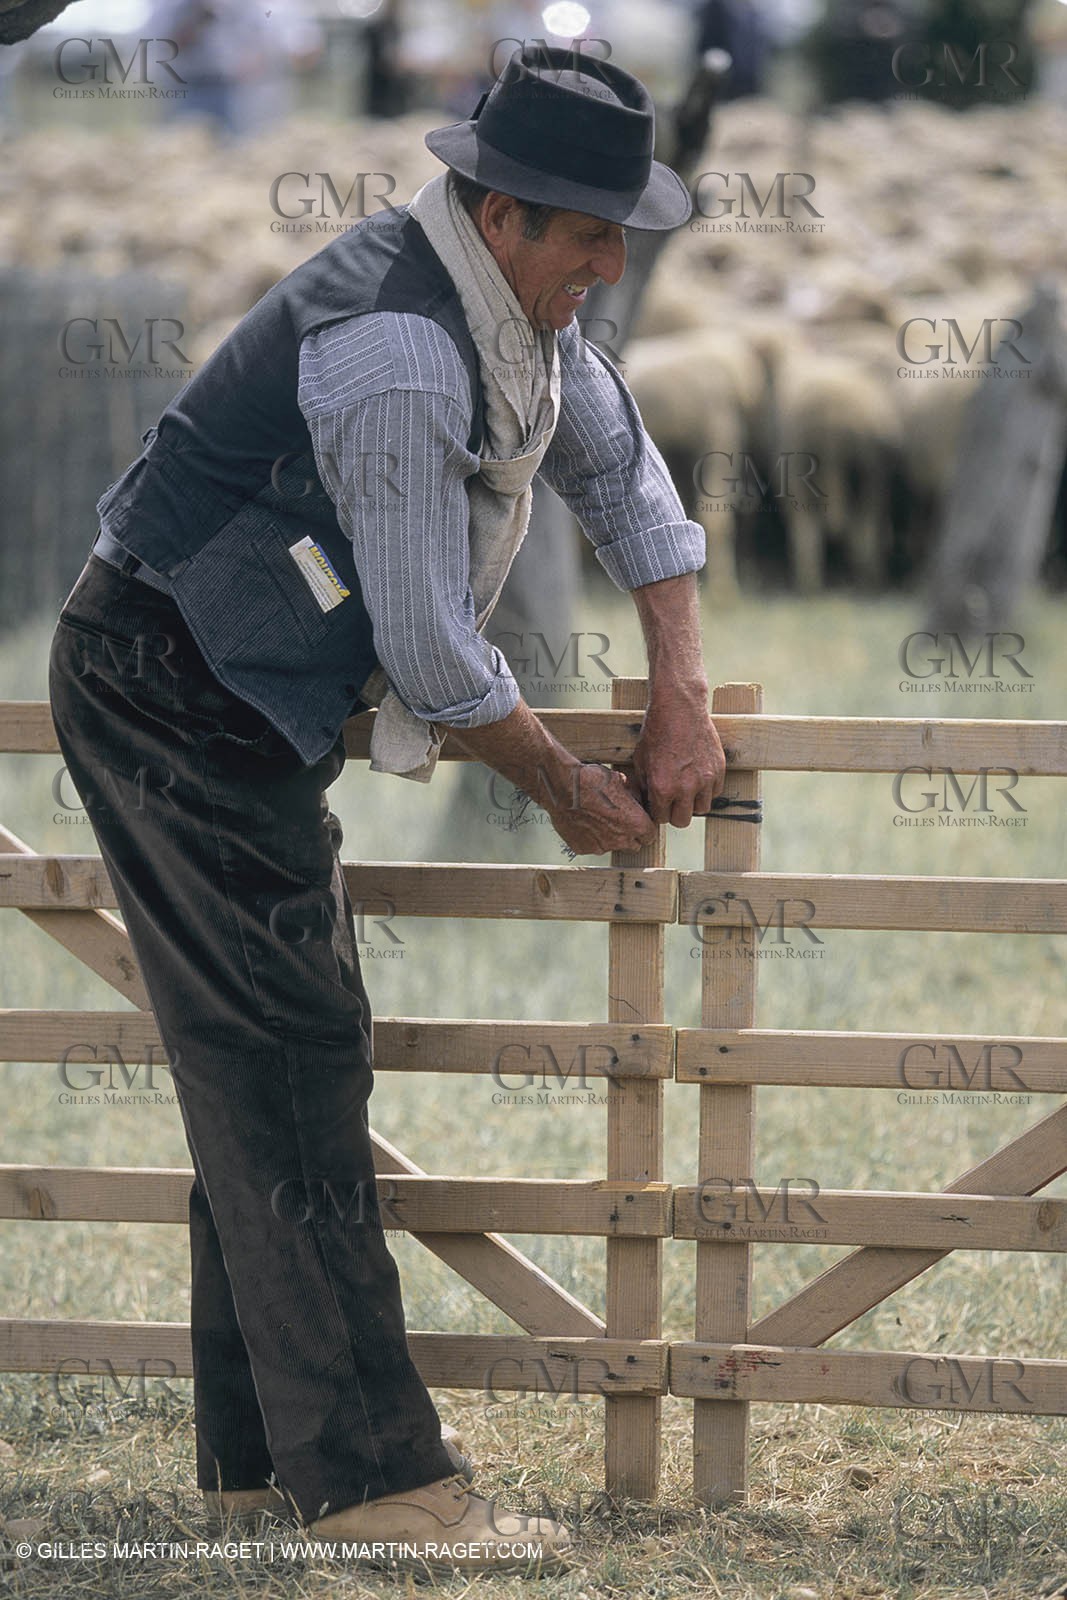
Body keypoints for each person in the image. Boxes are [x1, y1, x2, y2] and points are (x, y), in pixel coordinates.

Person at [47, 44, 726, 1576]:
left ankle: (256, 1460)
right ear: (502, 217)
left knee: (271, 1058)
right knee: (287, 1056)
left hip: (235, 689)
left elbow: (621, 475)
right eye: (588, 234)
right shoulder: (401, 350)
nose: (612, 262)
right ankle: (371, 1484)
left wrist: (680, 682)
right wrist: (568, 788)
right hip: (171, 679)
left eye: (622, 228)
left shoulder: (515, 314)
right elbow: (428, 647)